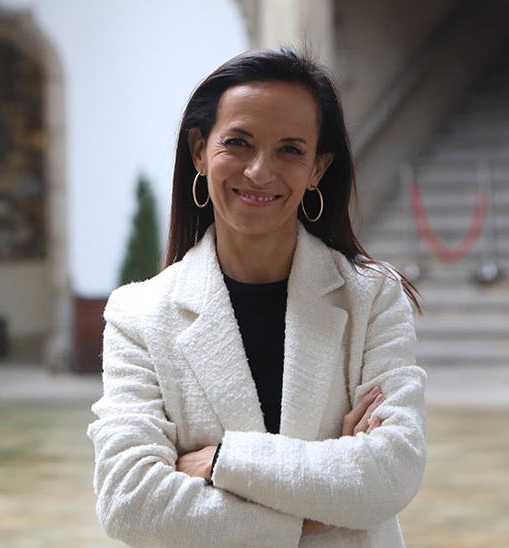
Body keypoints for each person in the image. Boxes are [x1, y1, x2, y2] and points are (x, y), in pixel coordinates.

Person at [87, 48, 426, 547]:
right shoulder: (139, 314)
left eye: (290, 150)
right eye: (239, 143)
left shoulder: (373, 298)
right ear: (200, 151)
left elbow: (391, 474)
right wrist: (311, 512)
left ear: (318, 168)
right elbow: (128, 501)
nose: (259, 172)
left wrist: (224, 461)